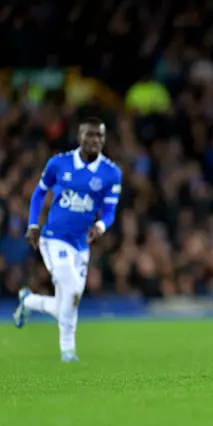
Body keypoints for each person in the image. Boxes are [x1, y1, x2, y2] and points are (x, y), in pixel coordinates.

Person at [13, 117, 122, 362]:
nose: (94, 140)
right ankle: (67, 351)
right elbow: (39, 193)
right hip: (53, 239)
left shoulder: (111, 173)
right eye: (89, 134)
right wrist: (33, 224)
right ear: (79, 137)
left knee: (68, 301)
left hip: (82, 245)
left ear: (104, 140)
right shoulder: (59, 164)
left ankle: (29, 301)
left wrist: (101, 226)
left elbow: (110, 210)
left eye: (99, 136)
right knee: (71, 290)